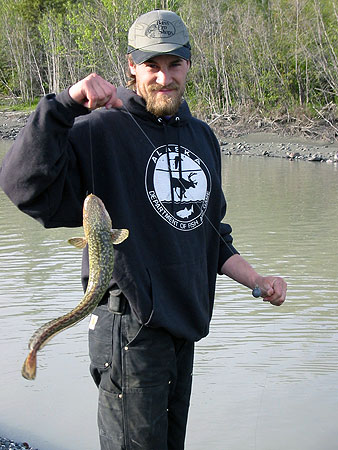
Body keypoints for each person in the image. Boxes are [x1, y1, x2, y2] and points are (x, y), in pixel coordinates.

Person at [0, 9, 287, 450]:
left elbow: (211, 235)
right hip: (129, 331)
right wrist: (64, 105)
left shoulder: (203, 138)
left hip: (184, 327)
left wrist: (258, 280)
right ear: (132, 66)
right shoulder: (98, 130)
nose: (164, 77)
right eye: (152, 65)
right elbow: (24, 186)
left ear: (189, 63)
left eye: (174, 64)